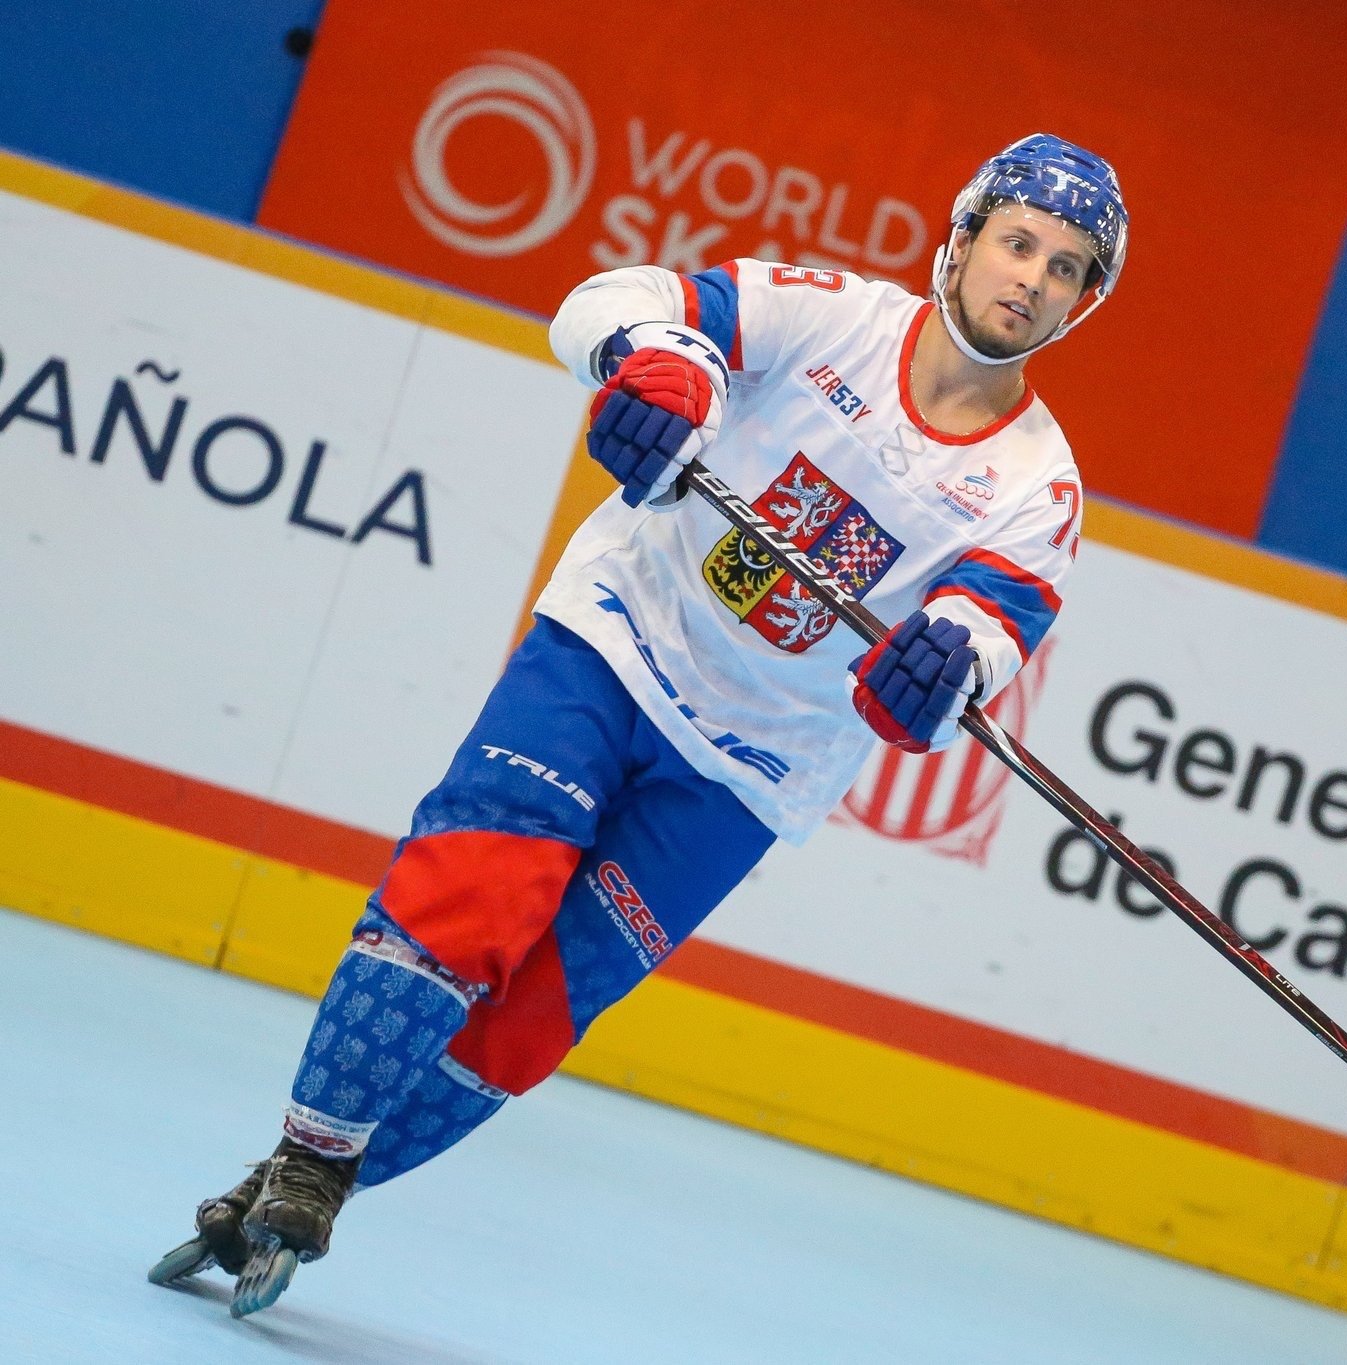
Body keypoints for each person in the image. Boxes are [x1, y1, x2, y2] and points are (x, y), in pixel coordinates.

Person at [150, 133, 1129, 1316]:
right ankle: (308, 1158)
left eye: (1067, 267)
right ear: (964, 237)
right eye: (1017, 242)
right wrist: (663, 366)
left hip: (749, 776)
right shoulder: (830, 316)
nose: (1030, 277)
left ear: (1083, 303)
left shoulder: (1040, 488)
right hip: (614, 645)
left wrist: (944, 665)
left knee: (526, 1025)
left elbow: (991, 630)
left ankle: (306, 1183)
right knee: (465, 902)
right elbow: (616, 302)